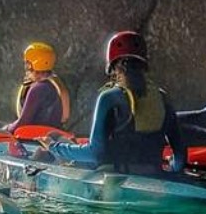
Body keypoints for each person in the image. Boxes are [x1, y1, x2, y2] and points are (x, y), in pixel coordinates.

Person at [48, 31, 187, 175]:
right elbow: (181, 156)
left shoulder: (109, 97)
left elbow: (95, 153)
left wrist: (55, 148)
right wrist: (171, 173)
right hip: (155, 175)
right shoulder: (162, 97)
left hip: (116, 181)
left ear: (112, 65)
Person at [1, 41, 71, 132]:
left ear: (33, 64)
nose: (26, 66)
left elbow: (23, 123)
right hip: (50, 134)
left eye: (27, 63)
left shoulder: (38, 89)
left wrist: (3, 129)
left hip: (35, 138)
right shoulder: (52, 84)